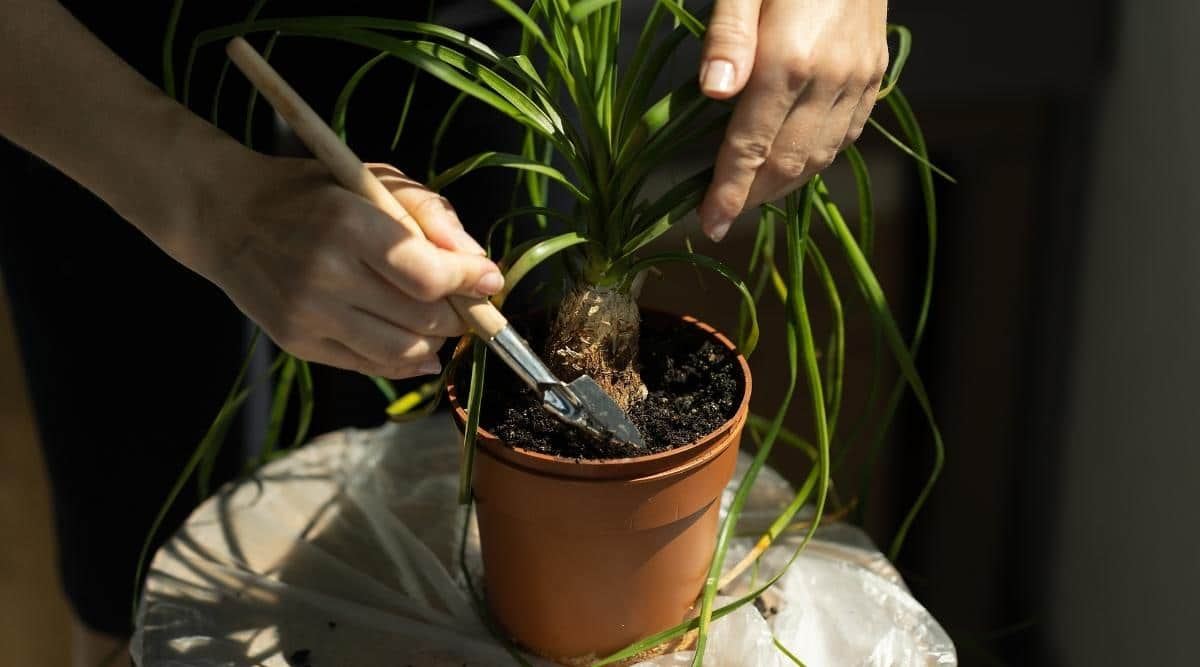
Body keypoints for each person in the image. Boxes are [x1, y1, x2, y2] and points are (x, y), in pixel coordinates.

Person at [0, 0, 888, 663]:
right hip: (93, 62)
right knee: (134, 551)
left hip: (459, 35)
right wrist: (203, 204)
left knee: (427, 371)